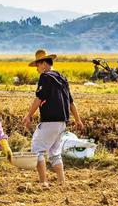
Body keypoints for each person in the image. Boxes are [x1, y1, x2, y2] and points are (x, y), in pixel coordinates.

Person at [22, 49, 84, 187]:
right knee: (54, 152)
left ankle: (43, 182)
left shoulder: (45, 77)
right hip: (62, 122)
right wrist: (78, 119)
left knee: (37, 149)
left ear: (43, 63)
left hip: (49, 121)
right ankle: (62, 181)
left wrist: (28, 116)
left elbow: (39, 98)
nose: (37, 69)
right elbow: (71, 102)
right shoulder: (62, 78)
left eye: (37, 66)